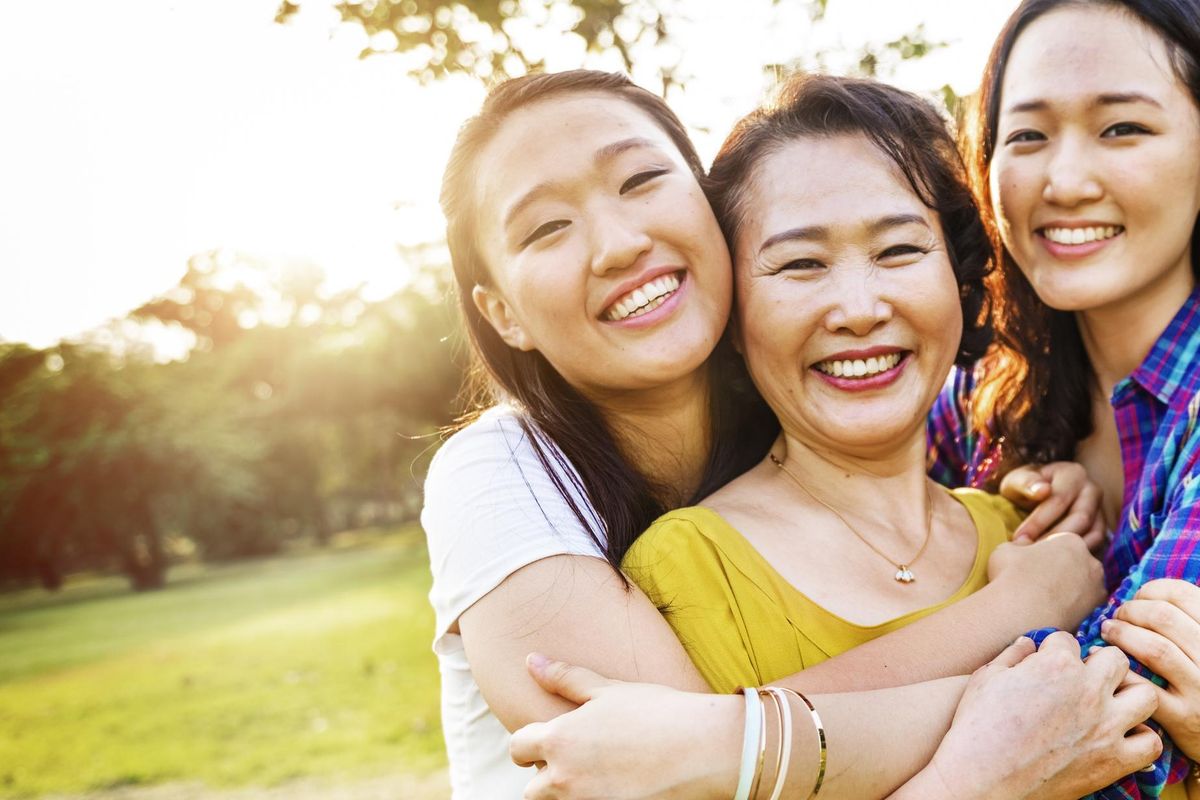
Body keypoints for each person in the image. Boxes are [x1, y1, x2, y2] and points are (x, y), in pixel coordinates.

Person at [423, 69, 1144, 799]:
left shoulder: (817, 400)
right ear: (501, 312)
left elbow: (722, 741)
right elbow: (674, 766)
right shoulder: (501, 474)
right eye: (546, 227)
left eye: (640, 179)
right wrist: (1026, 641)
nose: (617, 243)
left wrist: (1035, 487)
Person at [926, 0, 1200, 795]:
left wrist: (739, 735)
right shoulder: (974, 399)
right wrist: (983, 517)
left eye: (1123, 129)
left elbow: (1108, 745)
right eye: (1027, 135)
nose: (1064, 181)